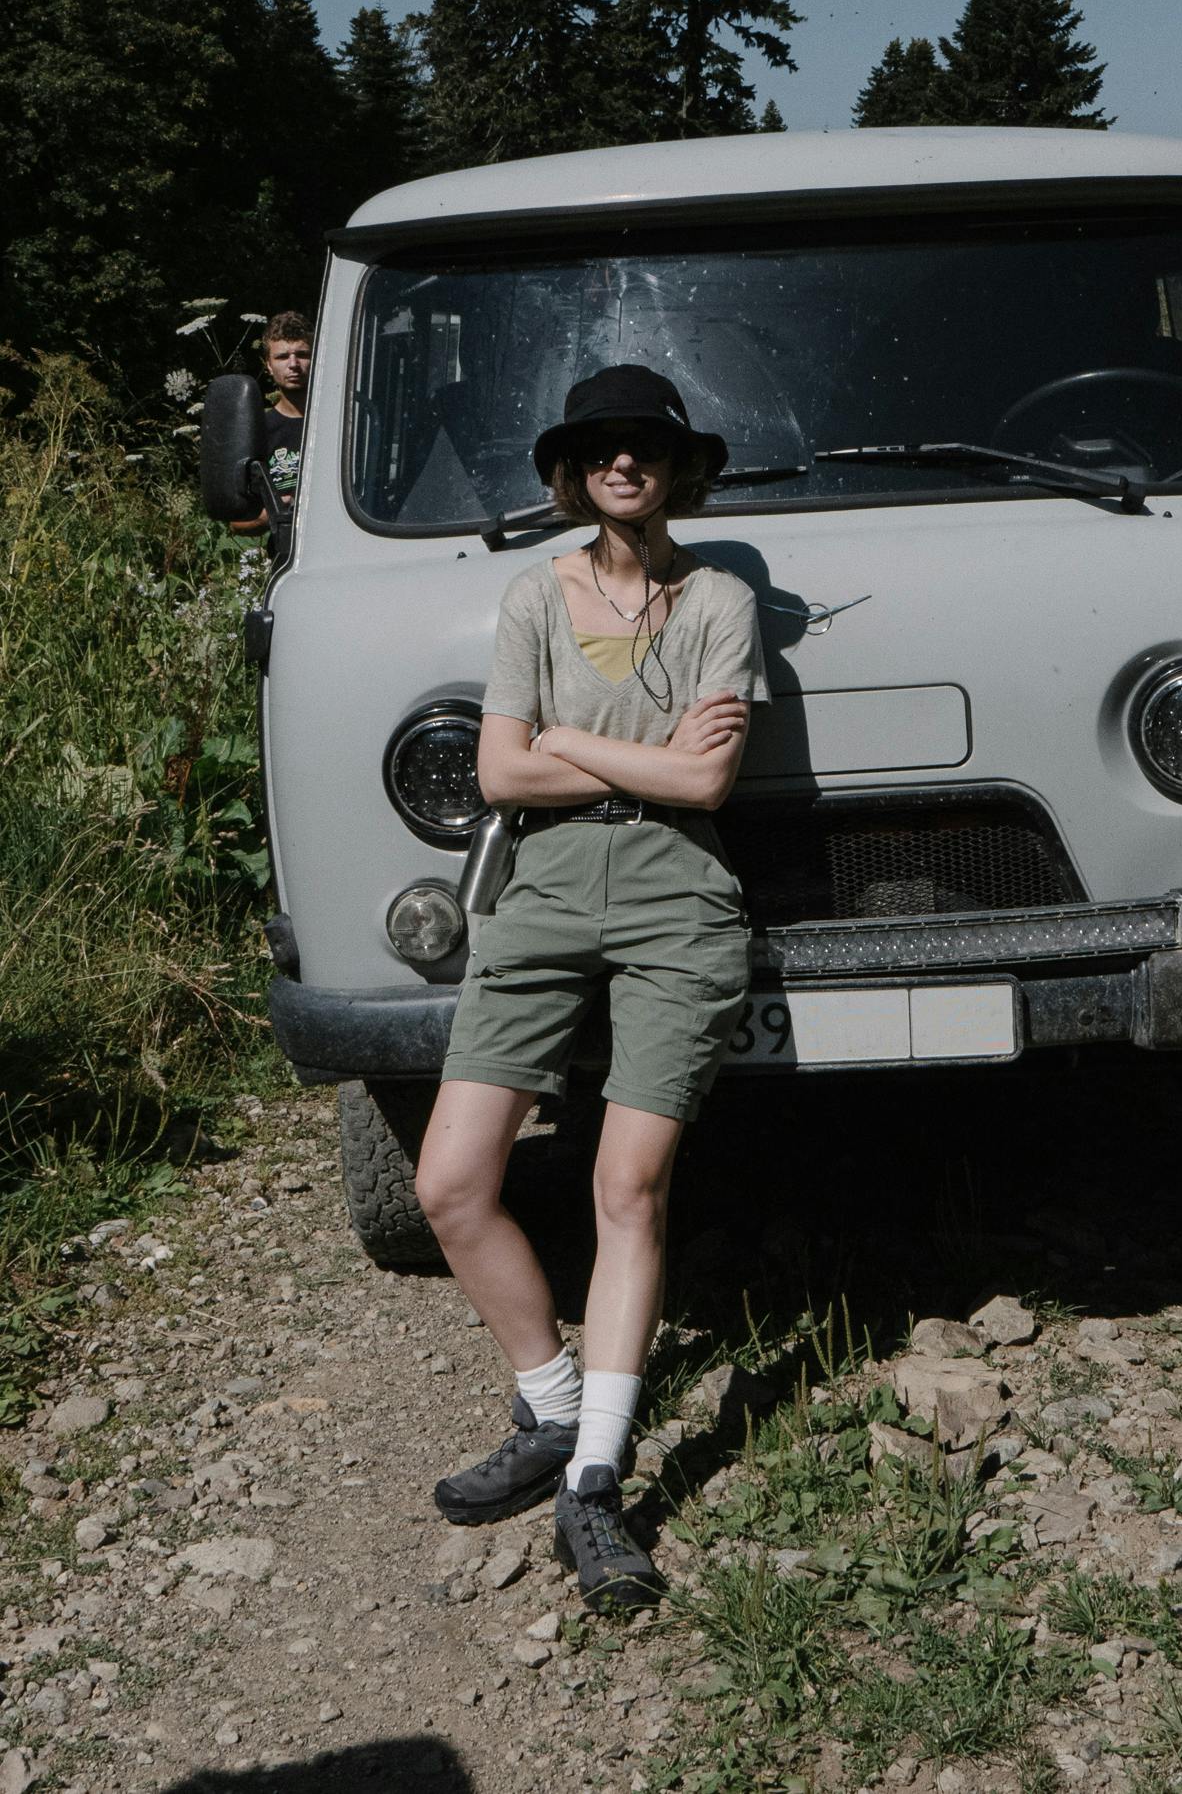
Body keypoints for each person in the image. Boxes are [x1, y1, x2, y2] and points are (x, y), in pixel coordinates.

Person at [414, 364, 768, 1614]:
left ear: (680, 467)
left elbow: (705, 791)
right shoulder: (533, 594)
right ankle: (551, 1404)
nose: (625, 464)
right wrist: (609, 755)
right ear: (575, 469)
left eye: (648, 446)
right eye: (602, 448)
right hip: (543, 895)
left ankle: (598, 1480)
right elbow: (500, 775)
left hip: (680, 897)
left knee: (628, 1185)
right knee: (451, 1182)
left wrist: (564, 740)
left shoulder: (723, 596)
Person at [231, 311, 312, 531]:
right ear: (268, 364)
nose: (293, 364)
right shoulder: (258, 433)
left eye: (303, 354)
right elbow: (237, 523)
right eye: (282, 357)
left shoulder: (342, 424)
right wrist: (277, 512)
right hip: (286, 555)